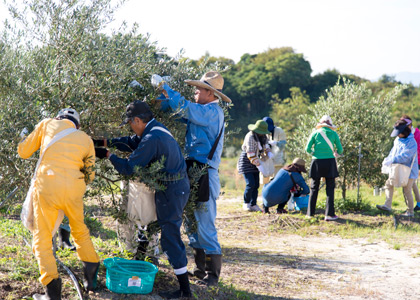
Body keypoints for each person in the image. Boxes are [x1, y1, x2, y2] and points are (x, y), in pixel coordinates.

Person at [93, 100, 191, 299]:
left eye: (130, 123)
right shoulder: (155, 129)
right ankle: (178, 284)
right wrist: (103, 142)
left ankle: (185, 291)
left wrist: (108, 155)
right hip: (173, 188)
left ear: (137, 120)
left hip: (172, 191)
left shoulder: (152, 138)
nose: (130, 126)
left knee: (170, 237)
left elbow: (129, 168)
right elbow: (131, 142)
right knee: (158, 229)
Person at [155, 71, 229, 287]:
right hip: (193, 170)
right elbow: (177, 110)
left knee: (205, 223)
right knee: (191, 221)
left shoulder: (212, 112)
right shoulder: (202, 111)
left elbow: (186, 108)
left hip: (205, 173)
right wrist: (155, 96)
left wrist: (166, 87)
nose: (195, 91)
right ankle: (200, 269)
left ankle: (213, 275)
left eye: (199, 89)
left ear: (209, 93)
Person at [18, 108, 100, 300]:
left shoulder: (47, 124)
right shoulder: (85, 138)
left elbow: (24, 152)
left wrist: (22, 138)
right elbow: (90, 175)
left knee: (43, 238)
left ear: (58, 118)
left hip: (47, 187)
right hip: (74, 189)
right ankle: (91, 279)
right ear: (77, 125)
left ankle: (52, 293)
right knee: (79, 229)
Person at [377, 119, 418, 216]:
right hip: (397, 168)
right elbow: (393, 151)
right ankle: (387, 205)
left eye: (399, 133)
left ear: (405, 132)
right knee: (388, 184)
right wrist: (388, 159)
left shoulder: (412, 142)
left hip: (409, 170)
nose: (397, 135)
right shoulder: (397, 140)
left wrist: (393, 159)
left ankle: (410, 211)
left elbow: (406, 156)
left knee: (407, 190)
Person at [305, 115, 343, 221]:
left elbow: (307, 149)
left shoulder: (315, 133)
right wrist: (335, 152)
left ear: (320, 124)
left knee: (313, 188)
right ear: (330, 125)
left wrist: (314, 153)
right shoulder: (334, 133)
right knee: (330, 188)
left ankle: (310, 214)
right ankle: (329, 215)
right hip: (330, 162)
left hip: (316, 161)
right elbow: (340, 150)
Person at [237, 120, 273, 212]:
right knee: (250, 184)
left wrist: (268, 152)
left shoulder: (263, 136)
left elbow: (266, 146)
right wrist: (259, 166)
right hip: (247, 160)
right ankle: (246, 203)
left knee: (256, 184)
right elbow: (250, 153)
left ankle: (253, 204)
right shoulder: (250, 137)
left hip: (256, 160)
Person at [261, 116, 287, 184]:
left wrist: (276, 143)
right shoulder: (263, 132)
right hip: (267, 159)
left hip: (278, 159)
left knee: (276, 179)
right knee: (265, 180)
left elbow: (284, 144)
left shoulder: (279, 131)